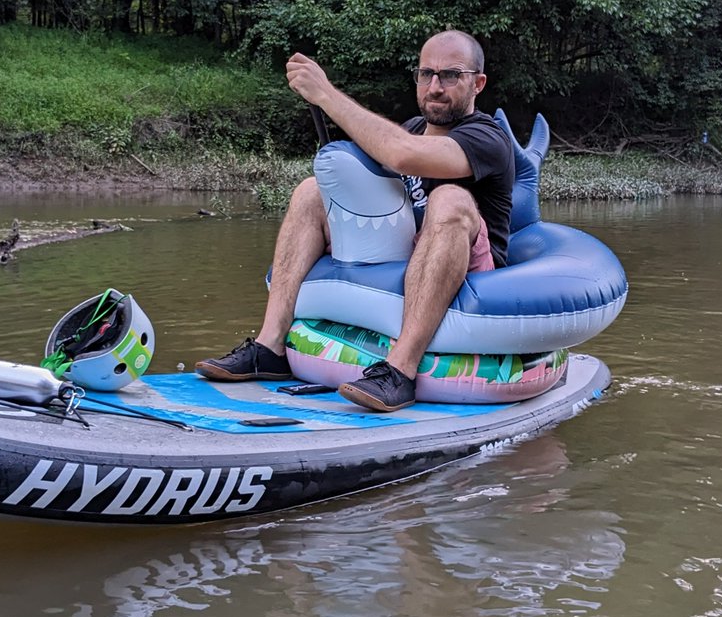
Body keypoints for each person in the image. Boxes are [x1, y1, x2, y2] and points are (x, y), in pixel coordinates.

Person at [196, 29, 514, 412]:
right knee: (311, 191)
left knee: (448, 198)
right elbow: (377, 162)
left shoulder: (487, 137)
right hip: (407, 252)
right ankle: (270, 347)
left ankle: (400, 371)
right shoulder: (411, 127)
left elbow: (403, 155)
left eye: (450, 75)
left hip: (471, 264)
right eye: (426, 73)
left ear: (477, 83)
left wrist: (325, 94)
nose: (435, 86)